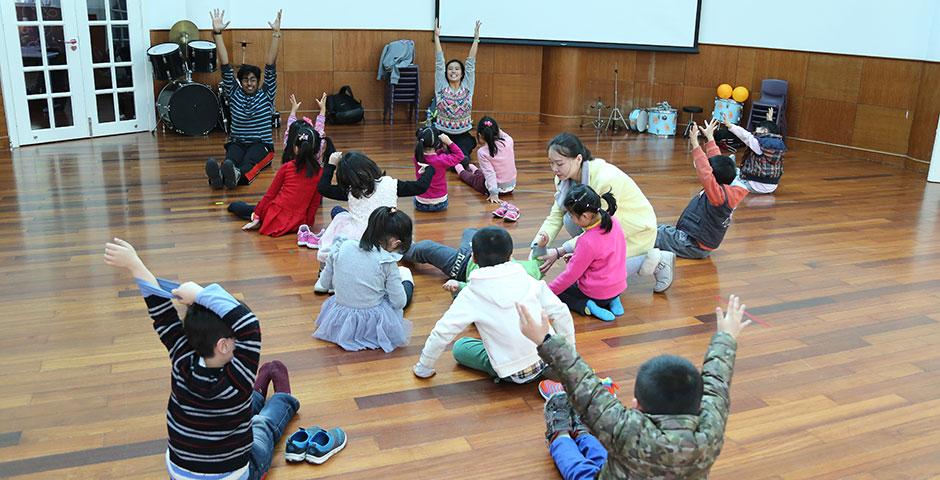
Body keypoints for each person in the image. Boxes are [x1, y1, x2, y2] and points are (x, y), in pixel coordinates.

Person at [103, 238, 300, 480]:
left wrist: (135, 264)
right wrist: (200, 293)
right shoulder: (237, 378)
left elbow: (161, 312)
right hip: (234, 476)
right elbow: (249, 323)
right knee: (262, 427)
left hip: (181, 474)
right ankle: (284, 399)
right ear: (224, 345)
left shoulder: (182, 356)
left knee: (242, 410)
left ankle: (256, 395)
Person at [517, 295, 750, 479]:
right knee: (606, 451)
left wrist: (544, 339)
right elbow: (717, 382)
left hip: (618, 466)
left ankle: (562, 434)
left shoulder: (627, 429)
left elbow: (584, 385)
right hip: (625, 459)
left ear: (636, 406)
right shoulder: (710, 429)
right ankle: (583, 431)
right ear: (701, 404)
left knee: (580, 470)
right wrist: (726, 337)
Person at [412, 227, 574, 382]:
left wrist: (423, 367)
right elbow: (561, 313)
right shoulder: (529, 280)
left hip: (513, 373)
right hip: (547, 356)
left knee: (460, 347)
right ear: (510, 255)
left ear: (474, 258)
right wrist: (569, 356)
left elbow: (442, 332)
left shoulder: (472, 293)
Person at [533, 133, 675, 293]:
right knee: (569, 218)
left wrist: (561, 251)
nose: (554, 169)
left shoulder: (605, 180)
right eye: (551, 163)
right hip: (605, 229)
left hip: (635, 232)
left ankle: (658, 260)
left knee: (593, 272)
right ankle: (591, 253)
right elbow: (556, 215)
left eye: (559, 163)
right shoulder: (563, 178)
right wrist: (538, 245)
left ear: (578, 159)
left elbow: (601, 229)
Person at [314, 151, 434, 282]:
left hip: (360, 239)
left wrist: (331, 164)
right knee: (340, 213)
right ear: (370, 165)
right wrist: (429, 170)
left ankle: (325, 269)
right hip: (387, 237)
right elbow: (421, 187)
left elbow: (323, 188)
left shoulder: (351, 192)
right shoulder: (391, 184)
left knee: (338, 214)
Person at [228, 93, 335, 237]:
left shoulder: (288, 163)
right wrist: (307, 225)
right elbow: (314, 204)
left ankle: (237, 207)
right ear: (317, 145)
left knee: (242, 208)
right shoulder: (320, 170)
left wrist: (258, 217)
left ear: (294, 146)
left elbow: (270, 195)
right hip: (298, 221)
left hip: (274, 218)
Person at [313, 207, 415, 353]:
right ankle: (407, 278)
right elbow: (399, 303)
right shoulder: (387, 262)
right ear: (395, 243)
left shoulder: (343, 245)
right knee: (404, 287)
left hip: (340, 318)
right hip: (371, 323)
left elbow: (324, 283)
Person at [205, 9, 282, 189]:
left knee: (249, 162)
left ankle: (236, 176)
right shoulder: (234, 93)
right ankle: (219, 177)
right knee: (230, 160)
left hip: (261, 145)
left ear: (258, 81)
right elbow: (224, 65)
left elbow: (270, 64)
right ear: (240, 82)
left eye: (253, 79)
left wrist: (276, 34)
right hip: (238, 142)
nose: (249, 83)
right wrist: (217, 34)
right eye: (245, 80)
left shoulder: (266, 94)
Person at [656, 120, 749, 259]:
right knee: (657, 229)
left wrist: (695, 143)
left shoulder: (718, 196)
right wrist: (710, 137)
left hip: (692, 245)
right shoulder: (724, 188)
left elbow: (705, 172)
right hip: (694, 240)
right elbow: (715, 163)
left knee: (651, 235)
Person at [548, 185, 626, 322]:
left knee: (562, 293)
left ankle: (588, 305)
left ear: (585, 216)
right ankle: (614, 300)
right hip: (619, 285)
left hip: (598, 295)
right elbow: (607, 255)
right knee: (606, 285)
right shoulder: (613, 221)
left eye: (571, 215)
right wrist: (578, 256)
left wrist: (548, 291)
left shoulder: (586, 241)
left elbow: (570, 276)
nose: (570, 219)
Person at [403, 227, 542, 297]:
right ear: (510, 255)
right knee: (470, 231)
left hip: (460, 265)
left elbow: (470, 289)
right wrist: (540, 248)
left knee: (425, 248)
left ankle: (401, 249)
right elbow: (538, 265)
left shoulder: (484, 283)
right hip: (470, 254)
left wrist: (457, 285)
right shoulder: (525, 272)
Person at [432, 19, 481, 162]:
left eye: (457, 69)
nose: (453, 71)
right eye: (450, 69)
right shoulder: (441, 86)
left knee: (463, 159)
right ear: (446, 72)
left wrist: (476, 39)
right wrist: (436, 37)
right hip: (442, 133)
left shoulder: (467, 86)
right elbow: (439, 62)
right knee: (433, 155)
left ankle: (453, 157)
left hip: (462, 134)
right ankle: (448, 155)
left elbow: (471, 62)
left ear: (462, 73)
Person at [455, 116, 517, 207]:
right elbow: (489, 173)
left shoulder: (483, 152)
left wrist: (493, 193)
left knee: (474, 180)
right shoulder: (509, 141)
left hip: (496, 188)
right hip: (511, 186)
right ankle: (473, 168)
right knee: (482, 175)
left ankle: (460, 168)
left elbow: (490, 173)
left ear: (480, 135)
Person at [726, 108, 787, 194]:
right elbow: (771, 133)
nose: (756, 131)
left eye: (758, 129)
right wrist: (769, 120)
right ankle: (733, 168)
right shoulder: (779, 144)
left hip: (755, 186)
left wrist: (730, 125)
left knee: (731, 179)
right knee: (739, 172)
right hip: (772, 186)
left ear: (764, 131)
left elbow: (746, 136)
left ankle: (731, 168)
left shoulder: (759, 144)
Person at [413, 126, 465, 212]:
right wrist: (449, 143)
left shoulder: (416, 157)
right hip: (440, 204)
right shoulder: (442, 160)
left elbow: (431, 158)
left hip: (421, 203)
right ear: (438, 144)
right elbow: (460, 156)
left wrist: (442, 151)